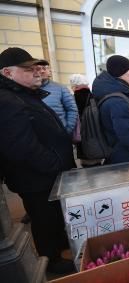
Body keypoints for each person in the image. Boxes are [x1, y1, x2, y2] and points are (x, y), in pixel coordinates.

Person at [0, 47, 76, 273]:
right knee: (43, 219)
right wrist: (54, 164)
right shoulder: (8, 100)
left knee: (52, 218)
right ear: (7, 73)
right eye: (28, 69)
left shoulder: (23, 95)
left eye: (38, 68)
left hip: (47, 176)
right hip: (38, 179)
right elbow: (21, 146)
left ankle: (60, 248)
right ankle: (50, 261)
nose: (37, 72)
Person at [92, 55, 129, 164]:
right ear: (119, 73)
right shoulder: (118, 101)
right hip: (128, 158)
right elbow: (128, 136)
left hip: (121, 155)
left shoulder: (115, 95)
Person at [69, 74, 102, 167]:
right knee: (97, 163)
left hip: (82, 134)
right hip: (96, 132)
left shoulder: (73, 98)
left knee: (87, 166)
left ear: (74, 86)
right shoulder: (93, 96)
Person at [40, 61, 78, 135]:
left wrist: (67, 129)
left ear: (50, 71)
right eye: (38, 68)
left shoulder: (60, 88)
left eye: (45, 68)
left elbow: (72, 109)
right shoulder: (29, 89)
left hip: (60, 133)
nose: (41, 71)